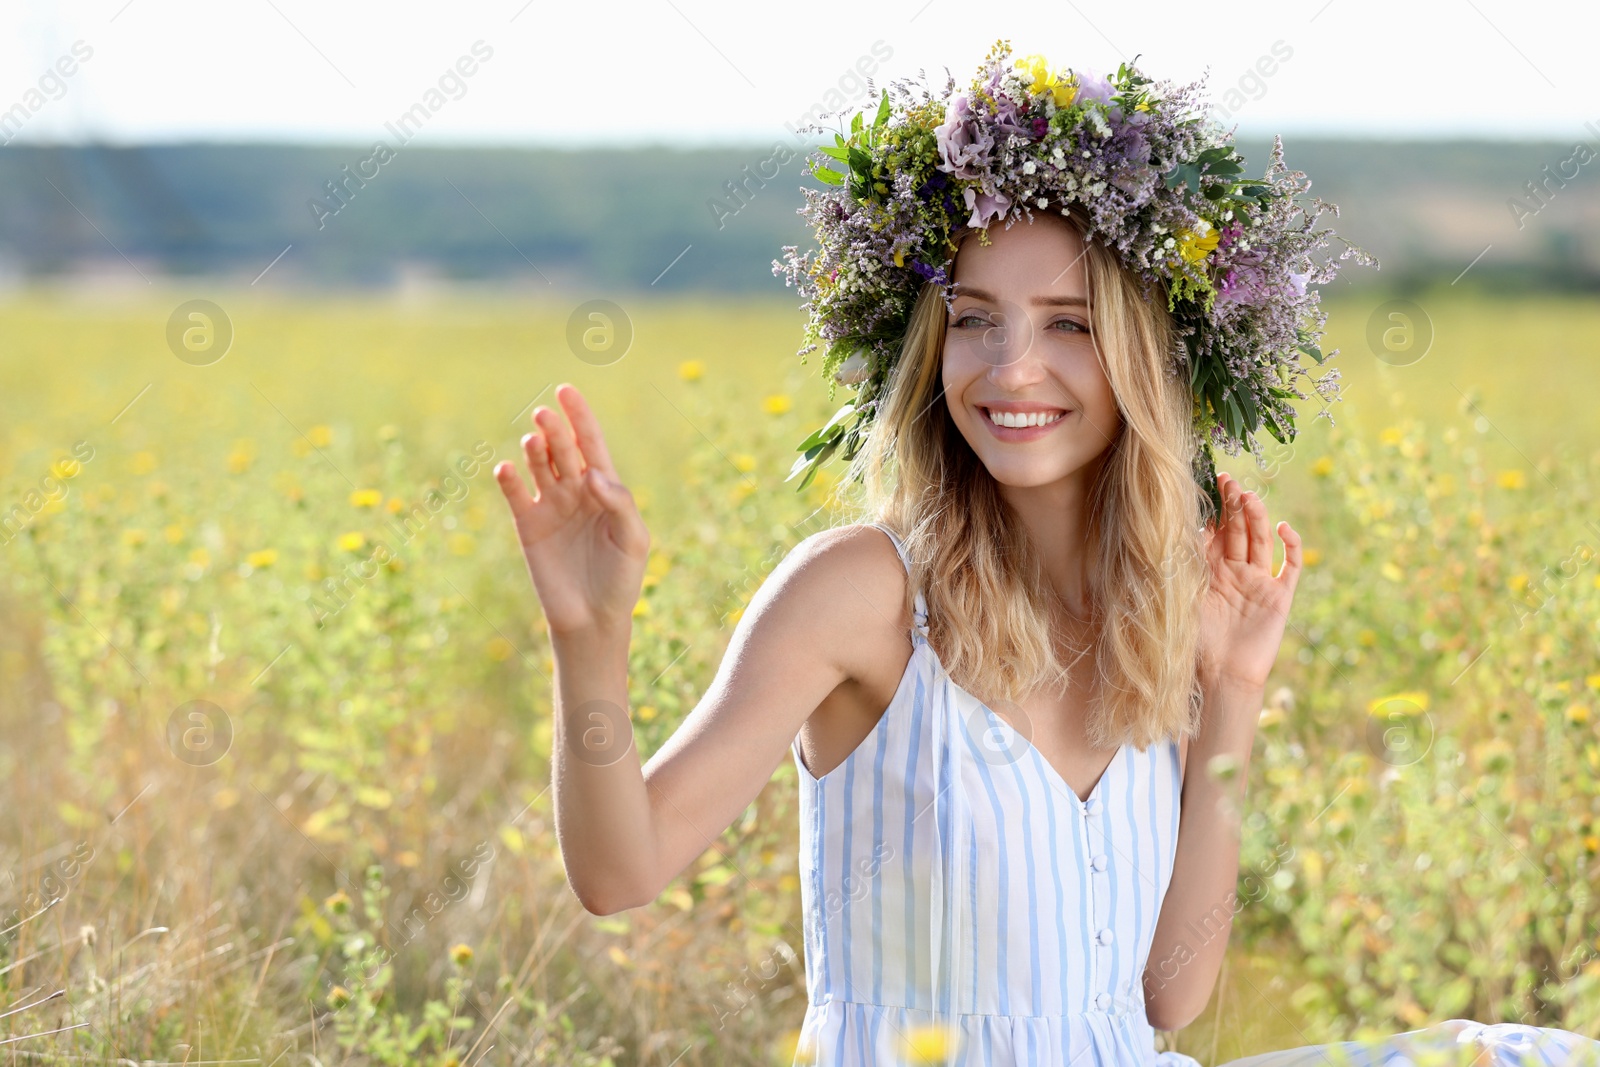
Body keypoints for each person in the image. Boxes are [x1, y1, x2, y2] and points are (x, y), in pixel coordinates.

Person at [493, 45, 1600, 1067]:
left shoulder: (1157, 610)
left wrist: (1233, 688)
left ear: (1144, 364)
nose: (1010, 369)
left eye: (1068, 324)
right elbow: (619, 872)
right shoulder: (860, 592)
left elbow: (1170, 994)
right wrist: (587, 637)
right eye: (975, 318)